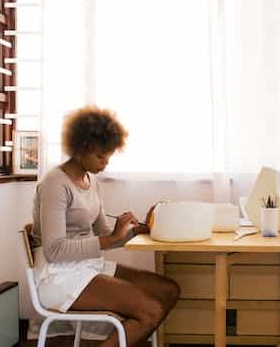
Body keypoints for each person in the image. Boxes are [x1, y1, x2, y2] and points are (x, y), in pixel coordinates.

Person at [31, 105, 180, 347]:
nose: (105, 163)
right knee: (150, 311)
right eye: (100, 156)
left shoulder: (91, 181)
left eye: (109, 156)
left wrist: (135, 230)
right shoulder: (54, 184)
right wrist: (111, 239)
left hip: (87, 267)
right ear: (81, 148)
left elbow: (105, 236)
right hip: (58, 277)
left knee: (168, 290)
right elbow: (54, 250)